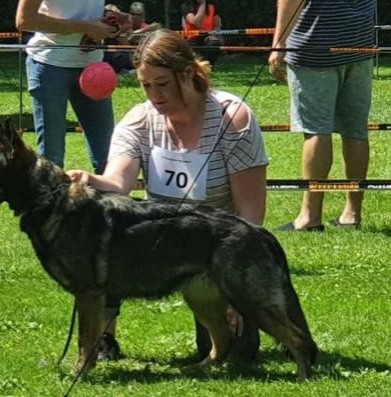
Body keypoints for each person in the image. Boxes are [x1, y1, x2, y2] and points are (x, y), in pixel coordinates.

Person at [67, 29, 268, 362]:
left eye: (162, 84)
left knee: (236, 353)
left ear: (187, 74)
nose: (154, 95)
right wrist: (89, 179)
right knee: (104, 237)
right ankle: (102, 339)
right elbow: (118, 183)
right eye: (146, 85)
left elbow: (250, 218)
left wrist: (238, 289)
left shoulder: (234, 119)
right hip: (161, 244)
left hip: (217, 249)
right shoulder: (140, 120)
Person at [268, 0, 375, 231]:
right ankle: (352, 214)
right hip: (360, 44)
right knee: (356, 130)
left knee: (316, 130)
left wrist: (279, 43)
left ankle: (310, 217)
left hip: (314, 47)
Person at [15, 0, 117, 172]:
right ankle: (51, 199)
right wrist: (85, 27)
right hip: (49, 66)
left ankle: (113, 199)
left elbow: (83, 12)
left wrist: (111, 19)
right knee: (51, 161)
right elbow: (24, 20)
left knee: (108, 157)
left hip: (93, 68)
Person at [181, 0, 222, 65]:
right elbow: (197, 23)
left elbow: (217, 25)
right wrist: (203, 5)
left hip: (207, 36)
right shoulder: (187, 6)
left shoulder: (212, 6)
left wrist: (213, 35)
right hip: (192, 38)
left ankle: (208, 66)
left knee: (214, 43)